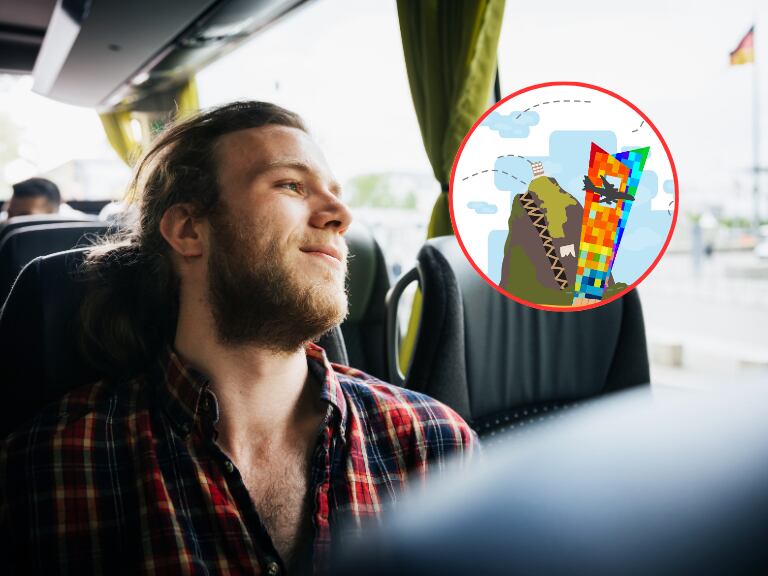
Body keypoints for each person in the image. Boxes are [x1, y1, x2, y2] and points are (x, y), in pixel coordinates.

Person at [0, 101, 477, 575]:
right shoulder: (54, 465)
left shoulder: (431, 443)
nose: (340, 214)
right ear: (188, 229)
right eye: (292, 184)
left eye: (335, 192)